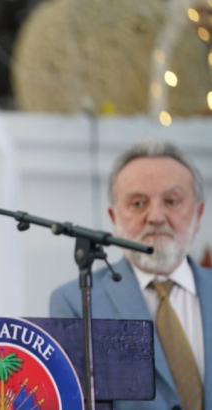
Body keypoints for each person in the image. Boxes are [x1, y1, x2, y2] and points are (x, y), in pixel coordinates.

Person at [50, 140, 211, 410]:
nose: (156, 217)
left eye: (172, 201)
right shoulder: (77, 302)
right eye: (138, 203)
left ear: (198, 213)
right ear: (114, 217)